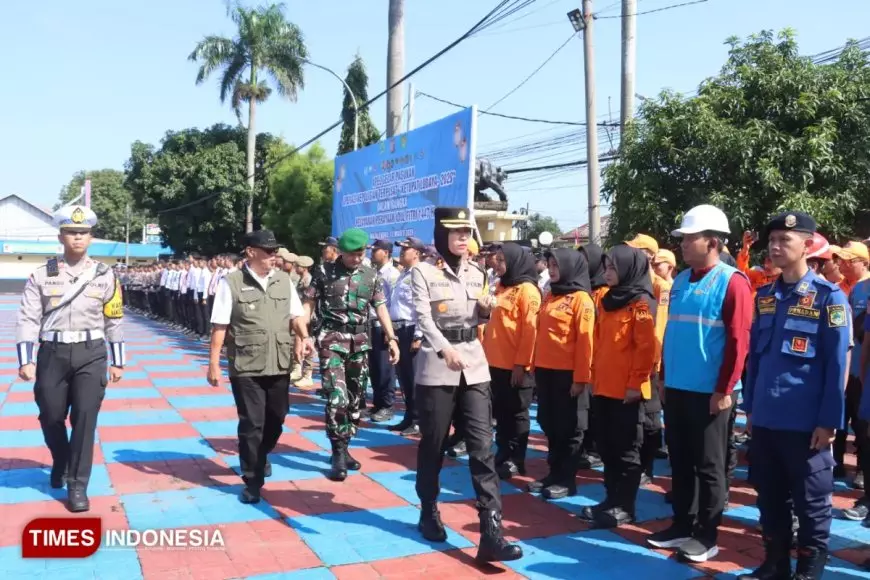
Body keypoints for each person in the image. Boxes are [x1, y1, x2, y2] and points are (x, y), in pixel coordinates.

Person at [739, 212, 850, 580]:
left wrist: (829, 421)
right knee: (769, 498)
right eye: (772, 239)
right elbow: (755, 358)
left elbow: (837, 366)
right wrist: (751, 408)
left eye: (785, 240)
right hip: (767, 418)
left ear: (807, 245)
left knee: (812, 503)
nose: (774, 246)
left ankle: (808, 571)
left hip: (806, 423)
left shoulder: (828, 297)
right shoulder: (766, 296)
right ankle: (775, 564)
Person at [412, 206, 522, 563]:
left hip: (474, 365)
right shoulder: (423, 272)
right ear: (441, 235)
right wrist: (445, 350)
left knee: (482, 448)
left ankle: (491, 532)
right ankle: (428, 508)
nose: (463, 237)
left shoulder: (478, 273)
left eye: (466, 231)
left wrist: (487, 311)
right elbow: (423, 319)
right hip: (437, 365)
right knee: (433, 443)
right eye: (456, 232)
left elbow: (479, 317)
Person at [648, 204, 752, 563]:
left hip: (710, 393)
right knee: (680, 460)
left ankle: (706, 535)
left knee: (709, 466)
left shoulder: (732, 282)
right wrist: (663, 378)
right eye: (683, 239)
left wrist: (724, 390)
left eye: (690, 238)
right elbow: (673, 333)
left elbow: (739, 342)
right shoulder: (679, 280)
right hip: (677, 387)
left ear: (713, 241)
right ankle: (682, 524)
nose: (683, 245)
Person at [15, 205, 125, 512]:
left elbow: (114, 319)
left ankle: (78, 486)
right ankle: (61, 459)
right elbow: (27, 317)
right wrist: (25, 358)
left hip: (92, 354)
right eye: (71, 232)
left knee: (85, 419)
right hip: (52, 352)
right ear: (61, 236)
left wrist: (118, 361)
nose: (77, 238)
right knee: (50, 415)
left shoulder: (105, 275)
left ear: (90, 237)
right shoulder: (45, 272)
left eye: (83, 233)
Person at [207, 230, 310, 504]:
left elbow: (296, 315)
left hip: (279, 361)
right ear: (251, 252)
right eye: (268, 251)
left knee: (277, 418)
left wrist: (304, 336)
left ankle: (261, 455)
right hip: (247, 365)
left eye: (275, 251)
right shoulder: (231, 283)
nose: (274, 256)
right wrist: (213, 364)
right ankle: (252, 479)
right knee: (252, 423)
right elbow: (220, 326)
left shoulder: (284, 281)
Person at [302, 228, 399, 481]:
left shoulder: (371, 274)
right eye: (352, 254)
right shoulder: (324, 272)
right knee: (337, 397)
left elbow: (380, 307)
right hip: (331, 341)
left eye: (361, 253)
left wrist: (391, 338)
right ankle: (337, 451)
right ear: (341, 252)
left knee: (356, 401)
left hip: (360, 343)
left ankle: (346, 446)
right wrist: (303, 335)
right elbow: (309, 304)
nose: (357, 258)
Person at [583, 244, 657, 528]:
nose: (607, 272)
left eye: (612, 267)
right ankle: (610, 499)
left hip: (627, 391)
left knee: (626, 450)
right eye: (606, 266)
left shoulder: (641, 301)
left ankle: (625, 505)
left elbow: (645, 348)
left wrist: (636, 383)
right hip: (603, 386)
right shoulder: (607, 299)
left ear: (628, 269)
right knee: (607, 447)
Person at [531, 248, 595, 500]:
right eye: (550, 264)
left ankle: (567, 479)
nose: (552, 269)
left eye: (557, 265)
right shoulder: (550, 295)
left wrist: (581, 378)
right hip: (546, 371)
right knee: (550, 423)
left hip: (569, 375)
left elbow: (585, 342)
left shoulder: (582, 300)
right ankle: (553, 472)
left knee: (570, 428)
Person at [483, 242, 541, 480]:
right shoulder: (502, 287)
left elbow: (531, 331)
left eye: (501, 260)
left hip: (515, 366)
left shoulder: (528, 291)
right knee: (502, 414)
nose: (495, 264)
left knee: (517, 413)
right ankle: (503, 452)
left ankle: (516, 459)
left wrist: (522, 365)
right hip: (495, 363)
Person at [387, 237, 426, 436]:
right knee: (403, 377)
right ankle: (409, 416)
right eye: (401, 249)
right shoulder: (405, 274)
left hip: (412, 330)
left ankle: (418, 420)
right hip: (399, 330)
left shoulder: (420, 274)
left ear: (417, 253)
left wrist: (419, 335)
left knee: (413, 378)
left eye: (406, 249)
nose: (401, 253)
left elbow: (422, 308)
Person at [367, 239, 401, 422]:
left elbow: (394, 304)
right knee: (374, 368)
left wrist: (391, 333)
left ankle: (387, 406)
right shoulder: (375, 272)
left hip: (383, 326)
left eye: (376, 250)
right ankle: (378, 404)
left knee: (385, 369)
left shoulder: (392, 274)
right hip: (371, 324)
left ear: (386, 252)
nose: (372, 253)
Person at [293, 255, 317, 390]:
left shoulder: (308, 281)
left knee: (308, 345)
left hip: (307, 318)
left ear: (305, 267)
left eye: (298, 266)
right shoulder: (301, 280)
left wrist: (306, 319)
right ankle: (301, 372)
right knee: (300, 344)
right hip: (301, 315)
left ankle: (308, 375)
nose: (296, 268)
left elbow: (310, 303)